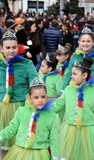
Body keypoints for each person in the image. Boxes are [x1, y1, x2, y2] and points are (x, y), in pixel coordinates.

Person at [52, 57, 94, 160]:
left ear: (84, 75)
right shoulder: (68, 89)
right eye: (72, 74)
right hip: (70, 130)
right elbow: (59, 104)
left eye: (74, 74)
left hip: (89, 131)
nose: (72, 76)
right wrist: (45, 108)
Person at [0, 30, 38, 158]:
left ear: (19, 47)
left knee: (21, 145)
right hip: (1, 108)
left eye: (14, 47)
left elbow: (36, 85)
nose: (11, 51)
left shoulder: (27, 64)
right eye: (8, 48)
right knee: (3, 144)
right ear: (1, 48)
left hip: (21, 107)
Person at [0, 82, 61, 160]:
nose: (40, 100)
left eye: (43, 97)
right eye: (36, 97)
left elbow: (55, 140)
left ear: (47, 97)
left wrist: (55, 157)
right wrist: (1, 136)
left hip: (40, 154)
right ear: (29, 98)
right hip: (19, 153)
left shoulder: (53, 116)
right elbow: (12, 129)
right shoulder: (21, 111)